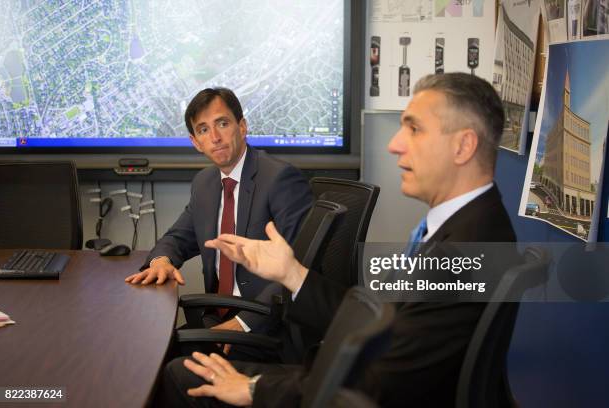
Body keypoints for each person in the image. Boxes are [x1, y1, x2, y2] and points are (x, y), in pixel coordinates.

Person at [160, 73, 518, 407]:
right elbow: (380, 321)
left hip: (358, 392)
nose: (394, 144)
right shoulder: (466, 226)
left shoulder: (468, 250)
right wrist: (292, 274)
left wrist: (254, 388)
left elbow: (385, 383)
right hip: (352, 375)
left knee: (177, 375)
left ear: (463, 146)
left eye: (414, 129)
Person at [125, 87, 312, 355]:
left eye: (222, 124)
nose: (214, 137)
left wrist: (242, 324)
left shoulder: (280, 179)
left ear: (242, 127)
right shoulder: (205, 183)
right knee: (146, 351)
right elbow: (178, 238)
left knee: (165, 365)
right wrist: (161, 261)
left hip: (265, 327)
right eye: (203, 130)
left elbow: (298, 268)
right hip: (217, 317)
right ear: (195, 142)